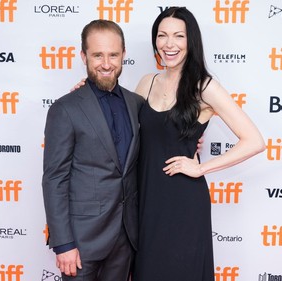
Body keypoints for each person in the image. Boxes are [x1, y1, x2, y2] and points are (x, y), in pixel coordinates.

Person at [71, 7, 265, 281]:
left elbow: (254, 141)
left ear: (191, 41)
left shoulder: (204, 87)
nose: (169, 44)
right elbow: (120, 124)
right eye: (162, 35)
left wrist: (201, 168)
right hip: (145, 200)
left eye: (178, 36)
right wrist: (89, 92)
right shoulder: (146, 83)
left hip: (183, 202)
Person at [41, 19, 145, 281]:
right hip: (81, 241)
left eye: (113, 55)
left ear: (124, 56)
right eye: (98, 55)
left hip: (126, 238)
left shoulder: (137, 104)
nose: (106, 63)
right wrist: (63, 243)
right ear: (84, 56)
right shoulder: (65, 109)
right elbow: (54, 179)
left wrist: (192, 143)